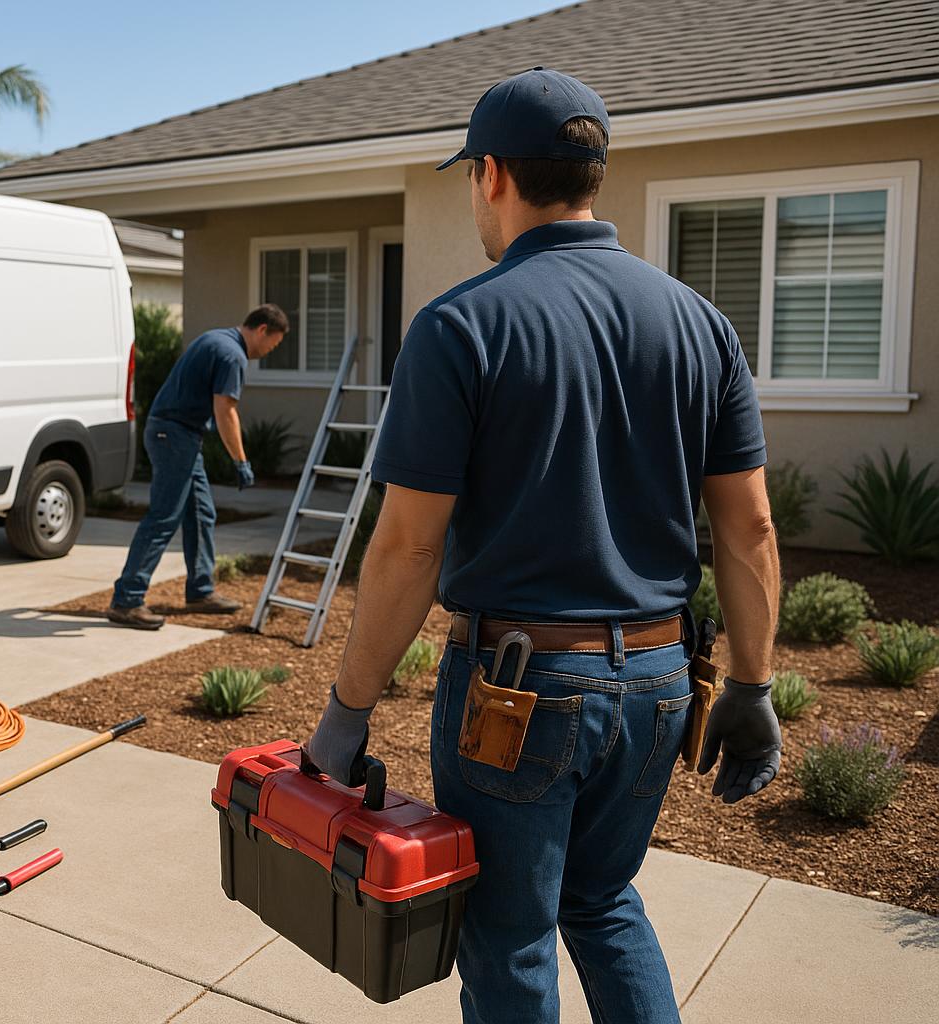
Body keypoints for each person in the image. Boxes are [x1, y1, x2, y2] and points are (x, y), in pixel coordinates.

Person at [303, 68, 781, 1024]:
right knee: (603, 903)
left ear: (490, 175)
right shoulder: (700, 325)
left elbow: (405, 549)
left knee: (513, 933)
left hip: (517, 694)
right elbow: (751, 525)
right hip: (656, 685)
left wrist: (347, 716)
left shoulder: (461, 325)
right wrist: (753, 688)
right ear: (591, 175)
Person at [107, 304, 288, 630]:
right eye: (272, 344)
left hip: (179, 435)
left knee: (201, 513)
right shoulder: (233, 354)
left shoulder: (216, 338)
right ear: (262, 330)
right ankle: (127, 600)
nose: (269, 351)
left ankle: (200, 591)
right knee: (163, 518)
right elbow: (225, 411)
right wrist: (241, 461)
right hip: (174, 436)